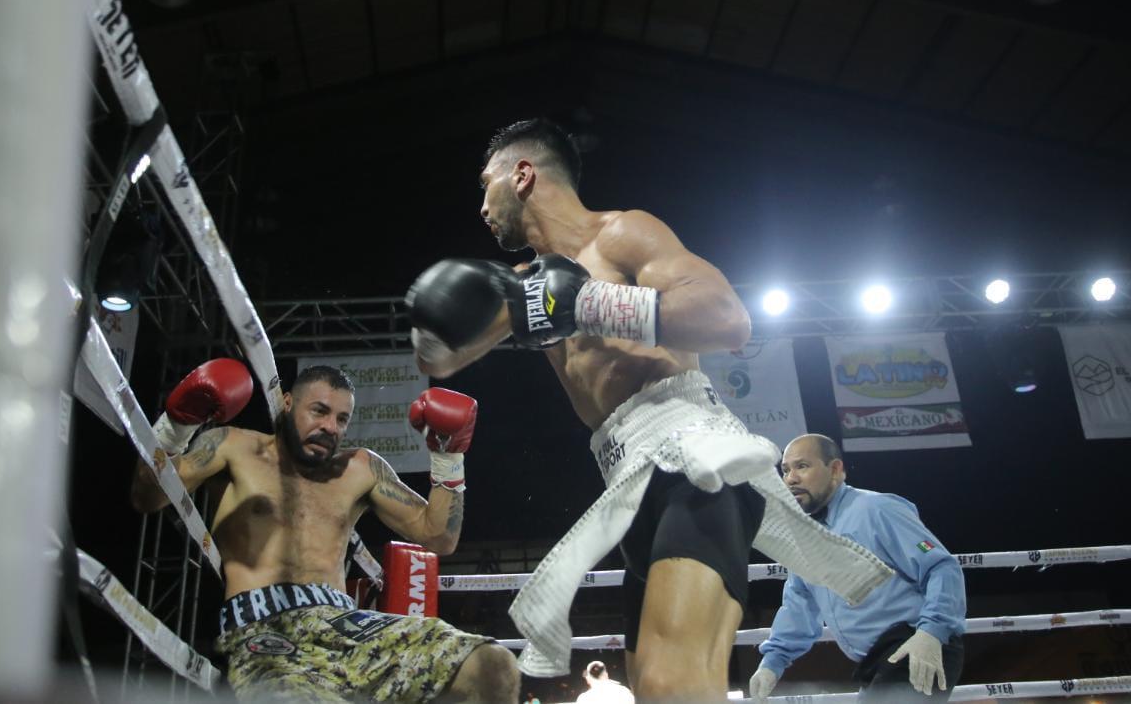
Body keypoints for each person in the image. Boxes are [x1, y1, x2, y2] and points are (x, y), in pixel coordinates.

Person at [405, 118, 892, 702]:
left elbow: (727, 320)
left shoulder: (620, 235)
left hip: (690, 457)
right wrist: (433, 332)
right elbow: (441, 359)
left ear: (522, 174)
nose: (481, 204)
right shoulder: (520, 287)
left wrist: (592, 302)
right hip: (629, 484)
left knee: (671, 686)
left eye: (487, 183)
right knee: (658, 689)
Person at [130, 359, 520, 703]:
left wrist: (448, 456)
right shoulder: (235, 446)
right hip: (266, 632)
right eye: (318, 411)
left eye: (341, 419)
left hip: (345, 625)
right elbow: (148, 497)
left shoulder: (360, 468)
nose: (329, 427)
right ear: (287, 403)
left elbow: (439, 537)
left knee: (492, 665)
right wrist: (178, 426)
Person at [750, 434, 966, 702]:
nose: (791, 478)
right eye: (785, 469)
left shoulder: (877, 509)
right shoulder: (805, 535)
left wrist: (931, 632)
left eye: (802, 466)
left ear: (836, 470)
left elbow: (941, 566)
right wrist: (772, 663)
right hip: (877, 661)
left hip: (916, 644)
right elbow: (799, 604)